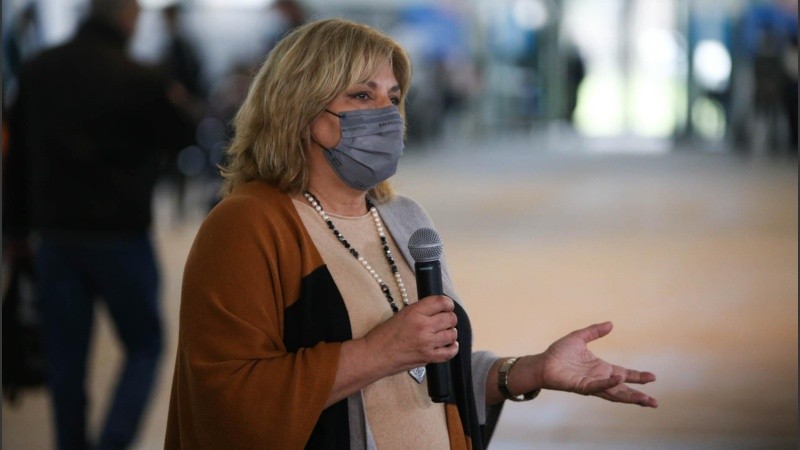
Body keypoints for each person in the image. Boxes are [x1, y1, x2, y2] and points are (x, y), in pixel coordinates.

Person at [165, 18, 657, 449]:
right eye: (363, 95)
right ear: (302, 108)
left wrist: (526, 371)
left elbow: (426, 378)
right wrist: (378, 352)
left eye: (393, 97)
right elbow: (226, 404)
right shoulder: (247, 226)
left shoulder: (404, 219)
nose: (386, 113)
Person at [3, 0, 194, 448]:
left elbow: (16, 161)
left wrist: (14, 231)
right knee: (145, 343)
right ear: (127, 16)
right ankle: (113, 441)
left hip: (56, 237)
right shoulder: (141, 76)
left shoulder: (39, 69)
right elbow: (183, 137)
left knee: (65, 359)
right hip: (121, 237)